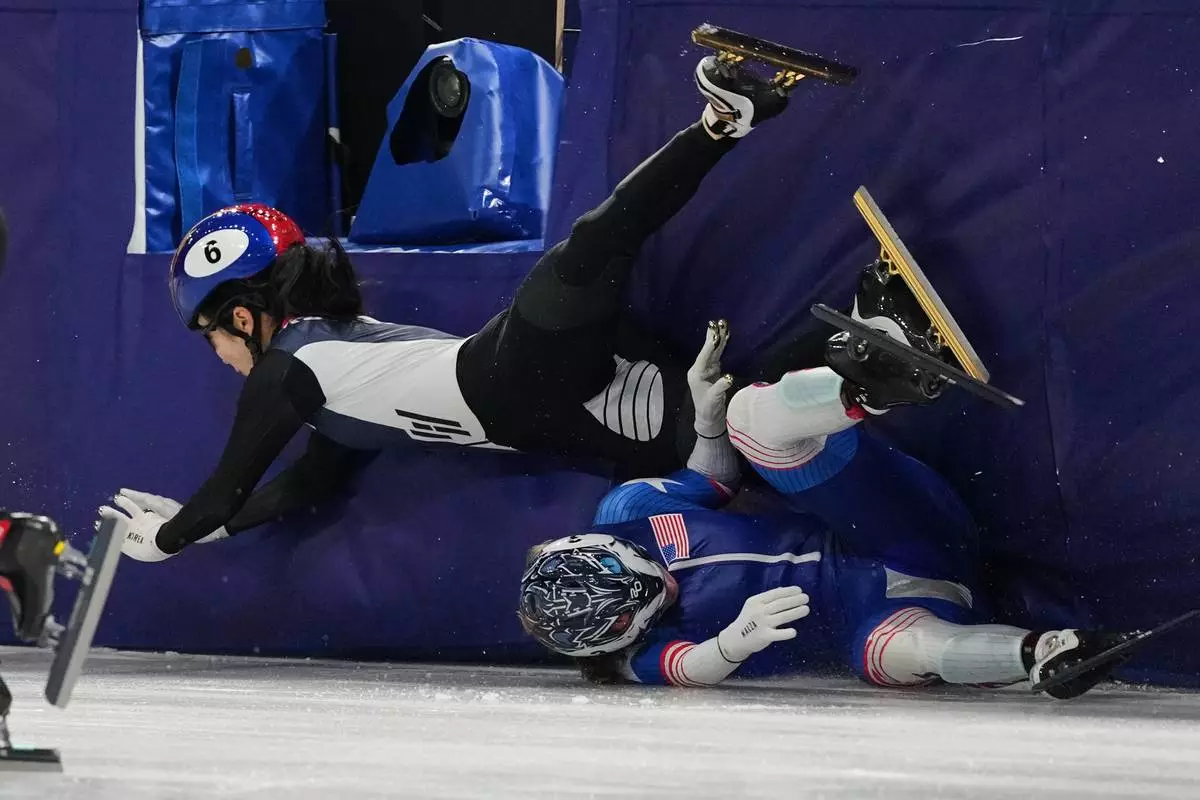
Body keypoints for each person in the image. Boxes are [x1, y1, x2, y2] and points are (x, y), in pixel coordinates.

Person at [103, 55, 839, 563]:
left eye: (210, 339)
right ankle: (865, 332)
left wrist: (168, 539)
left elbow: (231, 483)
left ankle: (722, 121)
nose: (221, 359)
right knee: (746, 421)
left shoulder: (290, 367)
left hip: (515, 377)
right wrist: (202, 531)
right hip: (564, 418)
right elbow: (305, 484)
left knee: (593, 246)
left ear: (241, 317)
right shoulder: (325, 386)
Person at [516, 294, 1132, 700]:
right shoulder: (636, 656)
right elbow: (689, 668)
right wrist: (730, 644)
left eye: (654, 574)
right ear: (624, 633)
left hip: (894, 528)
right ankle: (1042, 653)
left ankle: (875, 383)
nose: (671, 584)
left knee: (746, 421)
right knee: (887, 656)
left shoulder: (628, 511)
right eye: (659, 601)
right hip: (896, 615)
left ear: (612, 548)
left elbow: (716, 481)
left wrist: (706, 423)